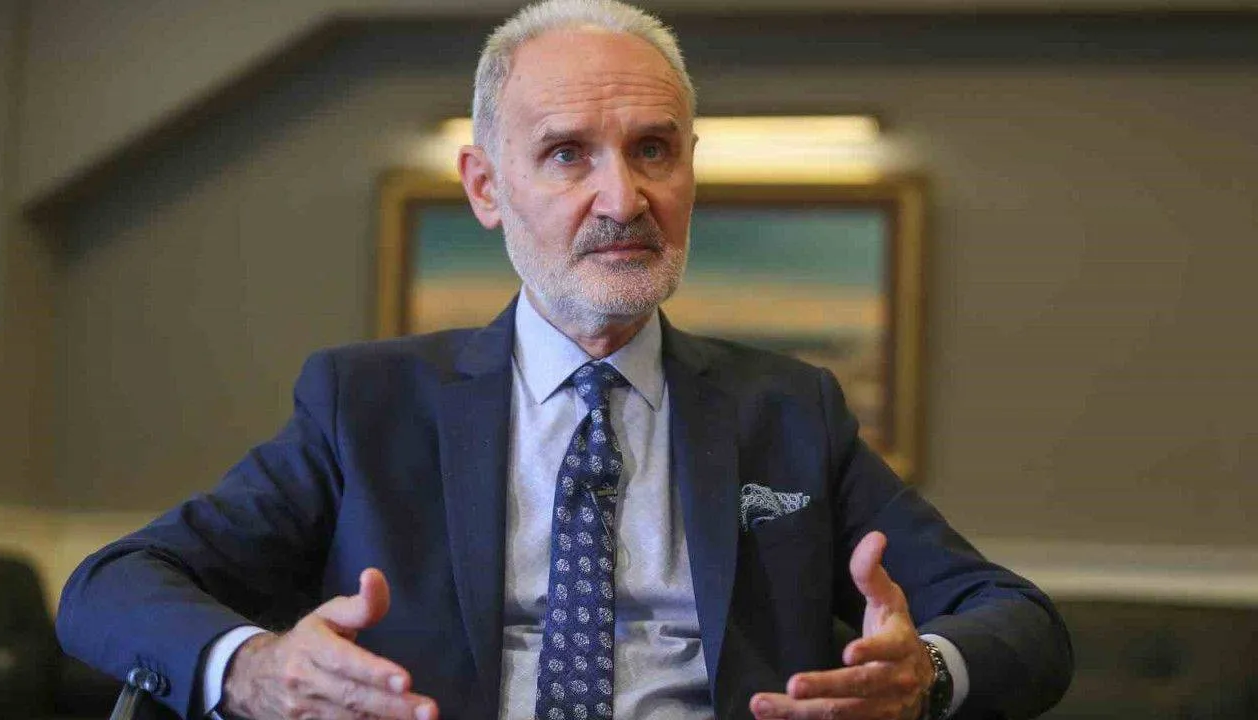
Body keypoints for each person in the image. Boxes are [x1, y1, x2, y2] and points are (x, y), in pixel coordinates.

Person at [56, 1, 1073, 718]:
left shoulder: (790, 411)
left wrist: (924, 676)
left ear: (689, 170)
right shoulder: (363, 405)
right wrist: (253, 670)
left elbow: (1021, 624)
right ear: (485, 187)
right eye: (566, 153)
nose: (623, 199)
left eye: (653, 149)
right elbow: (111, 586)